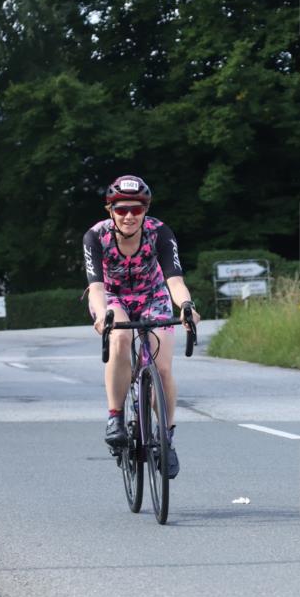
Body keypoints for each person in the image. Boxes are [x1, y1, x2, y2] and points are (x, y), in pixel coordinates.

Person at [83, 175, 201, 478]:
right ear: (110, 210)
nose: (129, 216)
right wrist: (100, 314)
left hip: (153, 295)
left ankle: (166, 439)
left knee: (162, 369)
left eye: (136, 209)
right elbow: (95, 288)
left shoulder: (160, 232)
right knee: (121, 338)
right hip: (113, 297)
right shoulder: (95, 237)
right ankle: (115, 417)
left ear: (145, 210)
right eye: (121, 209)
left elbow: (175, 280)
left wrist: (186, 307)